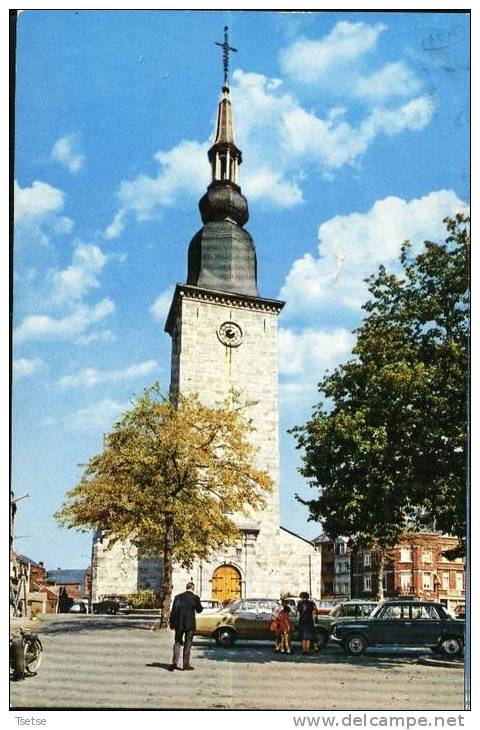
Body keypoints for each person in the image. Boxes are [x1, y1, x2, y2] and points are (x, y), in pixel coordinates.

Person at [168, 581, 203, 671]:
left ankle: (174, 663)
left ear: (186, 587)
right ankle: (185, 664)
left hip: (179, 624)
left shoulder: (178, 597)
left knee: (177, 642)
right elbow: (199, 610)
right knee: (188, 644)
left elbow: (174, 612)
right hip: (190, 625)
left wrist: (172, 624)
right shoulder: (195, 598)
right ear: (193, 588)